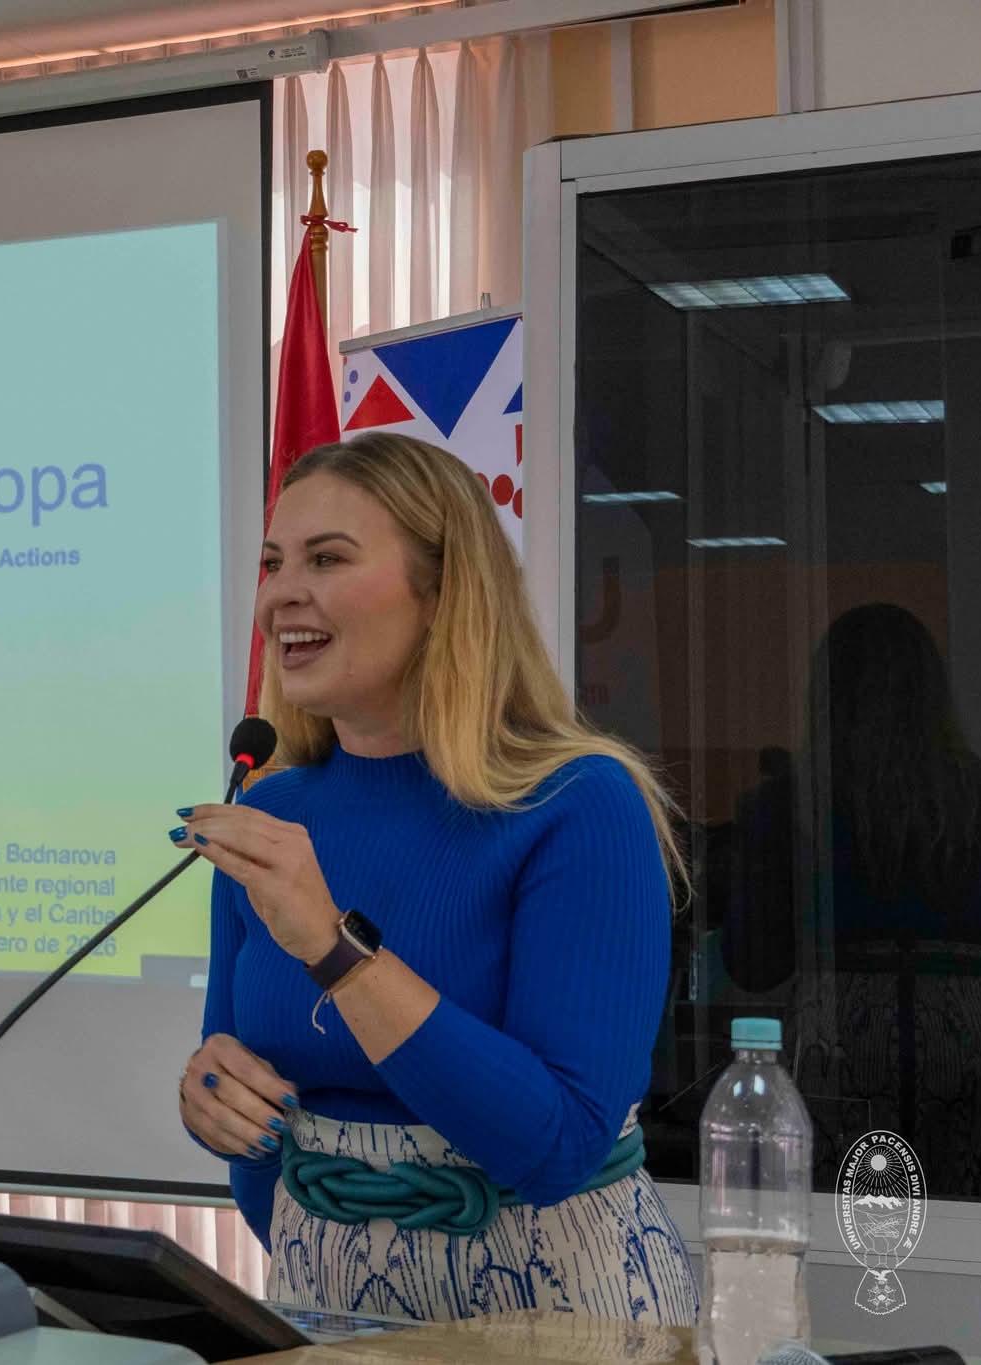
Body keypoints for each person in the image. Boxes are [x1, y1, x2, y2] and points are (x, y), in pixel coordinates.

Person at [172, 433, 698, 1324]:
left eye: (326, 558)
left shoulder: (580, 803)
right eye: (272, 562)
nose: (280, 593)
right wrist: (212, 1100)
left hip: (559, 1315)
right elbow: (257, 1138)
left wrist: (334, 947)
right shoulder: (269, 814)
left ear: (445, 593)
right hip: (324, 1306)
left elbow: (559, 1146)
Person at [724, 603, 981, 1196]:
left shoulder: (788, 804)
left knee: (844, 1234)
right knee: (971, 1234)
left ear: (825, 697)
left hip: (838, 1049)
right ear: (934, 695)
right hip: (978, 1051)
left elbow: (750, 962)